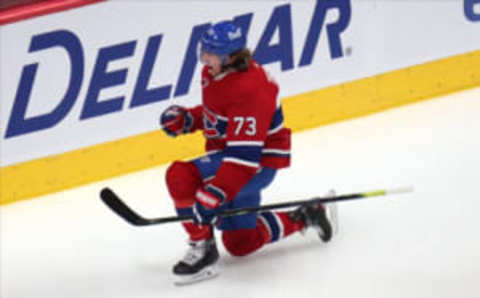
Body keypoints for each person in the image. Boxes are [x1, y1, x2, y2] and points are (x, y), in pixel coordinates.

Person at [160, 20, 337, 285]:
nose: (204, 57)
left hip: (255, 165)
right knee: (241, 243)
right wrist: (189, 120)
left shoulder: (251, 90)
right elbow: (222, 114)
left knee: (180, 176)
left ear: (228, 56)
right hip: (236, 158)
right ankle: (305, 215)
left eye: (210, 52)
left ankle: (202, 247)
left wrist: (216, 192)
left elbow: (244, 158)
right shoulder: (215, 72)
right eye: (204, 50)